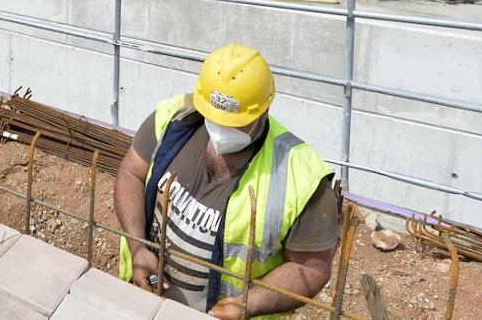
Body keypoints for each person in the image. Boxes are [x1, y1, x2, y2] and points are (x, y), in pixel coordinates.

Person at [115, 44, 339, 319]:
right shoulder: (174, 118)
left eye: (236, 121)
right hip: (145, 299)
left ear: (264, 109)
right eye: (215, 117)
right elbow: (131, 173)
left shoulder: (302, 180)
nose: (221, 128)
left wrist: (249, 303)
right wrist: (137, 247)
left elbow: (311, 268)